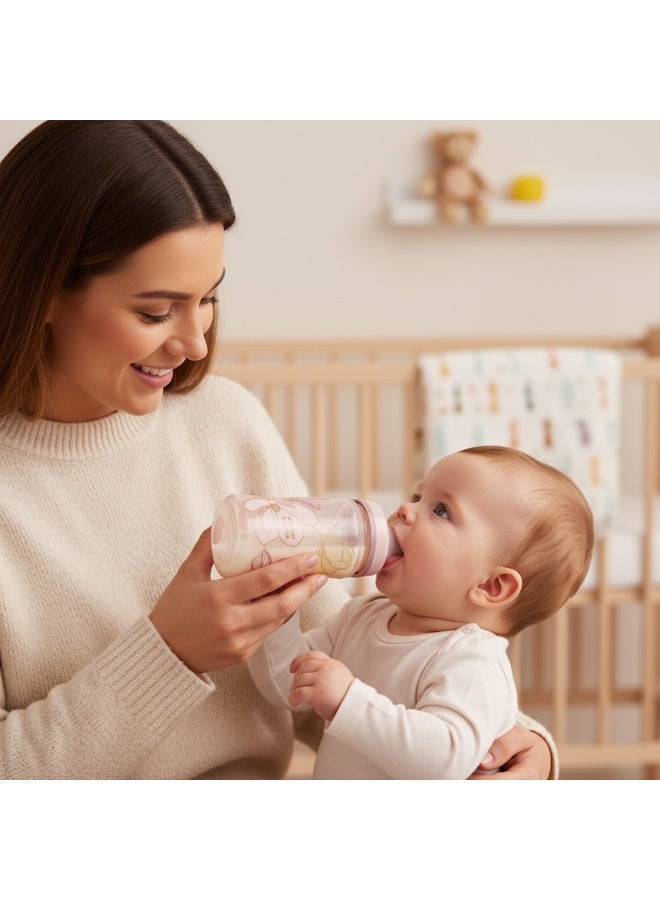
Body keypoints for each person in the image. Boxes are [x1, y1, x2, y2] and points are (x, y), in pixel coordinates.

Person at [0, 120, 555, 779]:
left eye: (207, 299)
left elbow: (343, 681)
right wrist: (167, 654)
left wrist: (521, 746)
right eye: (155, 312)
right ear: (41, 288)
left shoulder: (226, 422)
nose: (197, 343)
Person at [247, 446, 594, 778]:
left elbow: (441, 763)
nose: (404, 510)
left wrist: (347, 700)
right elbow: (286, 685)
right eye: (418, 497)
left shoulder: (472, 662)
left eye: (440, 510)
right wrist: (277, 612)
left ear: (491, 587)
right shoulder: (362, 616)